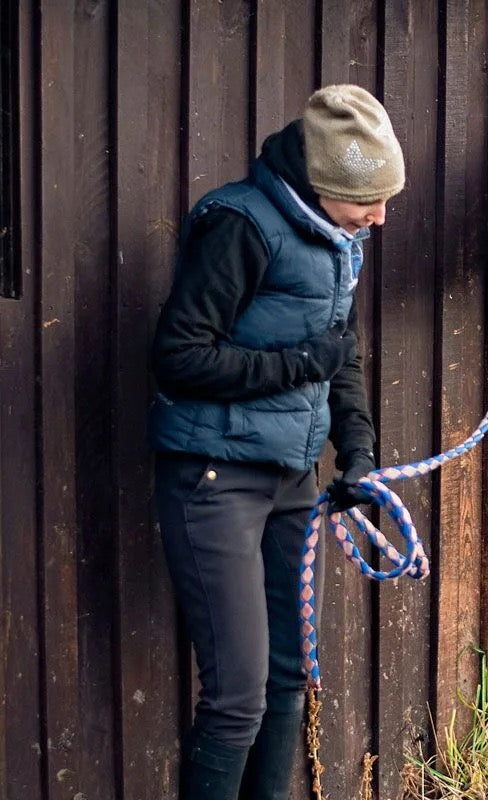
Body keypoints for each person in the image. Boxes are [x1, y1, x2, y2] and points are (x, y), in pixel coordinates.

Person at [149, 85, 404, 799]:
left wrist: (358, 455)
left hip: (292, 479)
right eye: (369, 201)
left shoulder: (338, 238)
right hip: (214, 480)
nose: (380, 217)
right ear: (324, 186)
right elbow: (179, 354)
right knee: (237, 700)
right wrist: (298, 366)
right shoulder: (239, 225)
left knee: (292, 679)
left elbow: (341, 354)